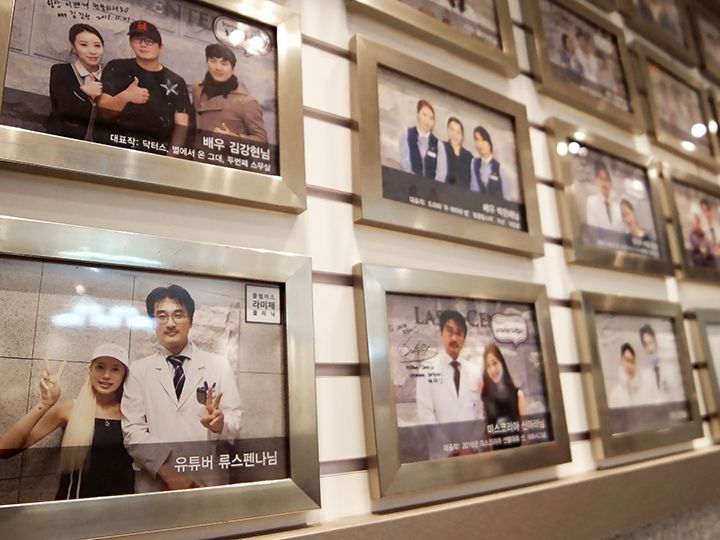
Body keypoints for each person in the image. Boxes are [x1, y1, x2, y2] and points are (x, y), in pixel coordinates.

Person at [121, 284, 243, 493]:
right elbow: (133, 430)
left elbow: (235, 418)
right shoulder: (138, 371)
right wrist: (169, 473)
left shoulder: (218, 365)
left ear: (191, 321)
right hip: (155, 482)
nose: (170, 323)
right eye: (161, 316)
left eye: (178, 315)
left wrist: (220, 425)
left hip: (205, 479)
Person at [0, 344, 134, 500]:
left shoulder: (132, 415)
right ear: (90, 371)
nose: (106, 375)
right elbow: (5, 450)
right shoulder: (70, 409)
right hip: (74, 507)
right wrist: (45, 403)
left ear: (124, 375)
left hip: (121, 508)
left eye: (115, 369)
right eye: (100, 367)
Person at [98, 20, 191, 152]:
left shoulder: (176, 81)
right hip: (114, 149)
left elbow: (181, 125)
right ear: (130, 43)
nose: (143, 45)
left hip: (156, 153)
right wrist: (125, 97)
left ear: (161, 47)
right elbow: (103, 111)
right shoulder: (116, 67)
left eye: (149, 41)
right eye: (137, 40)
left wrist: (171, 156)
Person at [415, 310, 483, 425]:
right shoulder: (426, 369)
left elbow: (480, 414)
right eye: (449, 331)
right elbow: (425, 416)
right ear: (442, 333)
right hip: (440, 437)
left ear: (464, 338)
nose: (454, 338)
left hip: (471, 436)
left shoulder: (475, 372)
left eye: (459, 333)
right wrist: (444, 438)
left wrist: (473, 437)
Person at [192, 43, 268, 143]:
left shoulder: (246, 102)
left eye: (224, 64)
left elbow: (262, 142)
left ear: (233, 68)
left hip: (224, 152)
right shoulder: (198, 88)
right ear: (207, 62)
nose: (218, 68)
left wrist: (232, 138)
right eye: (213, 61)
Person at [47, 24, 106, 141]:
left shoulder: (111, 78)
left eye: (97, 46)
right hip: (61, 141)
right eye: (84, 45)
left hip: (97, 147)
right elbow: (60, 108)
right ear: (73, 47)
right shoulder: (60, 71)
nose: (92, 51)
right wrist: (83, 91)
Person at [480, 343, 526, 449]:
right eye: (488, 366)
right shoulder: (485, 400)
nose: (492, 370)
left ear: (502, 363)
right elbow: (488, 439)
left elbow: (526, 435)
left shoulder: (518, 395)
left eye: (495, 363)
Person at [638, 324, 685, 404]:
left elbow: (679, 396)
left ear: (656, 342)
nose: (650, 348)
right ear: (644, 348)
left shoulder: (670, 368)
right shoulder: (645, 376)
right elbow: (646, 402)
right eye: (646, 344)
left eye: (651, 342)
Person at [399, 99, 439, 178]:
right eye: (424, 115)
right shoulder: (407, 134)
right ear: (417, 114)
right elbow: (405, 163)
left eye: (431, 118)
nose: (427, 120)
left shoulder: (437, 143)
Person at [469, 126, 509, 199]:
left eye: (483, 140)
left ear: (489, 143)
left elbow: (507, 198)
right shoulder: (472, 164)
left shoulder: (500, 169)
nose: (480, 144)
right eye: (477, 140)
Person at [607, 343, 653, 408]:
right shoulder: (615, 394)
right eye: (627, 360)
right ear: (621, 361)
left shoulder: (644, 390)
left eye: (632, 362)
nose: (630, 366)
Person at [585, 160, 624, 232]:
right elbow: (592, 228)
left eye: (606, 179)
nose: (604, 183)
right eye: (601, 178)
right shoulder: (591, 201)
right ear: (596, 180)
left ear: (611, 183)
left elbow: (621, 231)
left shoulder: (617, 208)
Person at [434, 116, 473, 188]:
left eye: (458, 132)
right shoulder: (441, 147)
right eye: (452, 130)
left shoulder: (468, 156)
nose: (455, 135)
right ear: (448, 130)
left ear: (462, 136)